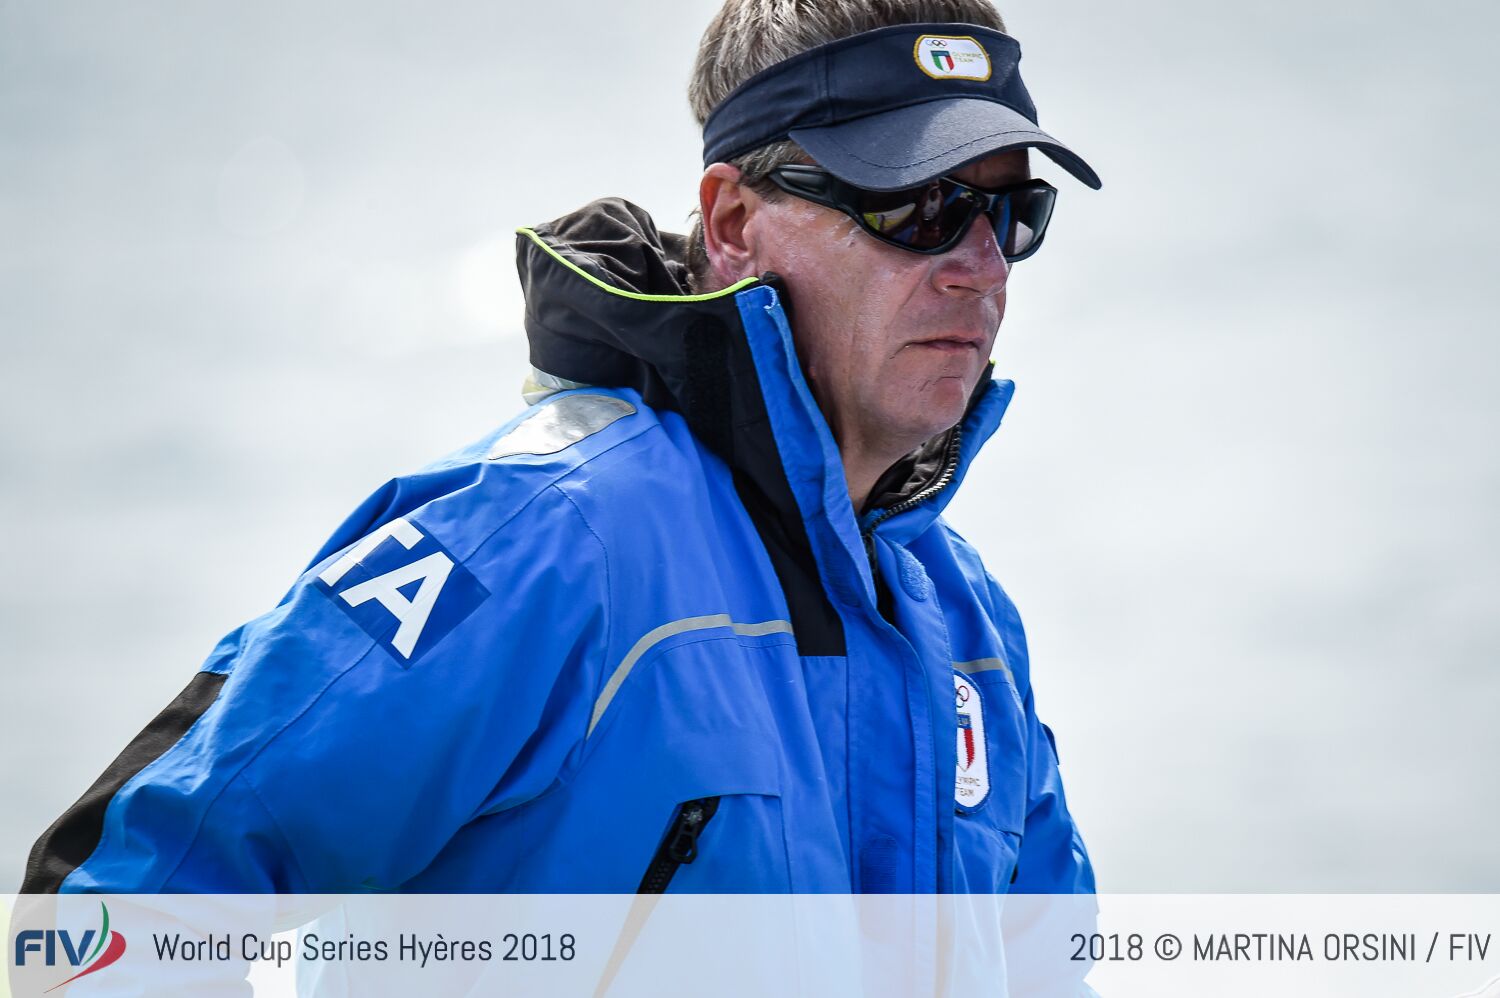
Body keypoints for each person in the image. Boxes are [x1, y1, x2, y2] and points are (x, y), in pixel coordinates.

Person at [23, 0, 1099, 901]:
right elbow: (109, 909)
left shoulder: (969, 629)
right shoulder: (546, 541)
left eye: (1011, 212)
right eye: (920, 205)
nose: (979, 264)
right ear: (733, 221)